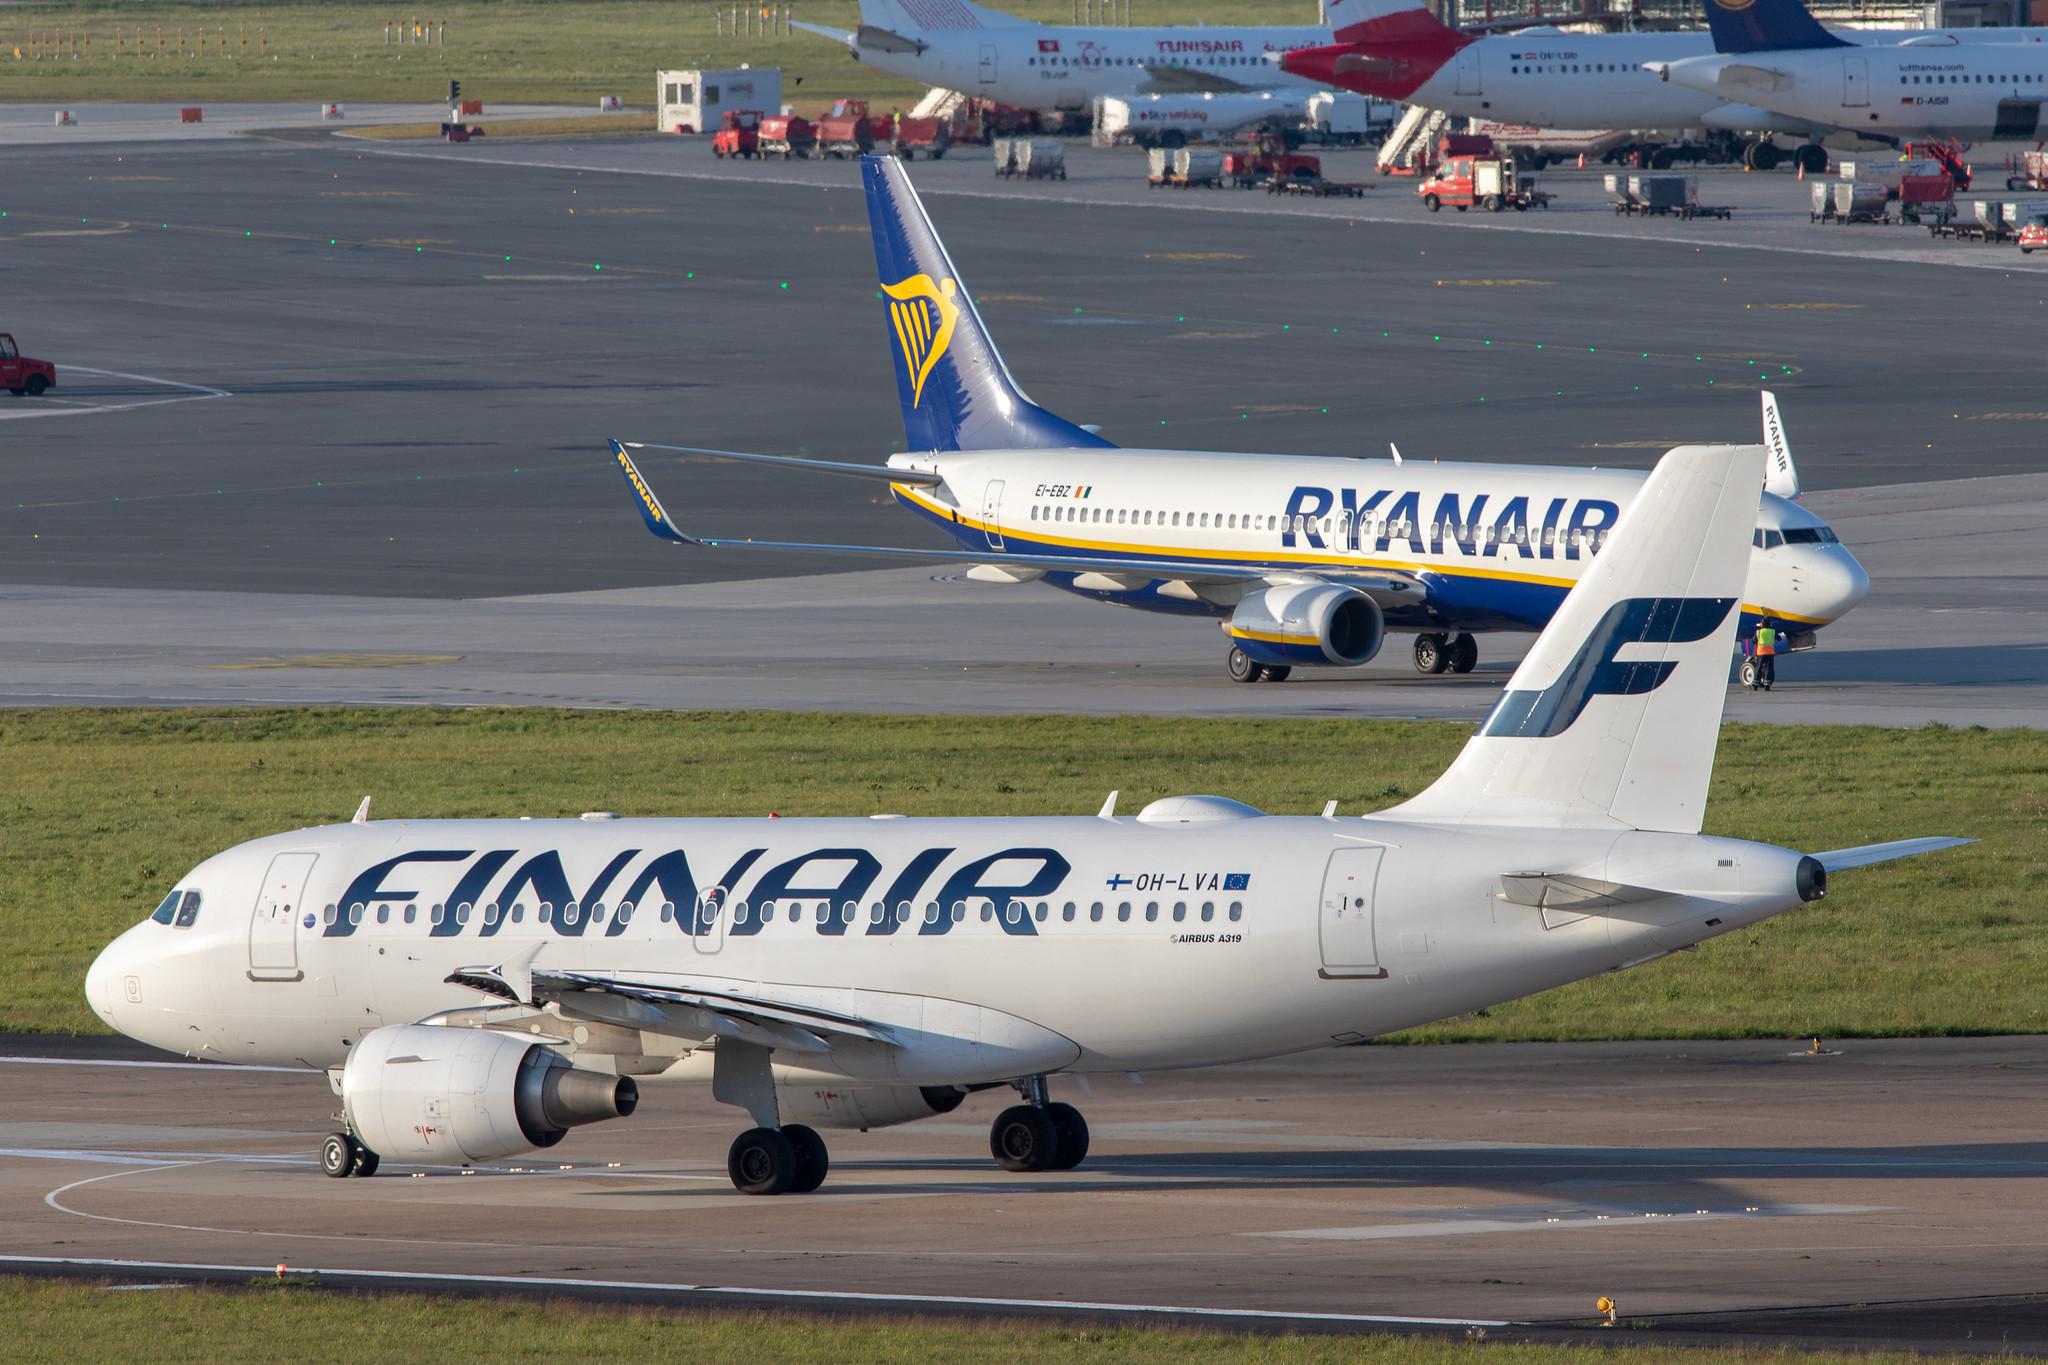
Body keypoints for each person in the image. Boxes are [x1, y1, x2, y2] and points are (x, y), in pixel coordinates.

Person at [1753, 616, 1779, 691]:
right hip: (1770, 653)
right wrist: (1773, 641)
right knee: (1768, 669)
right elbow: (1779, 638)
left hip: (1761, 653)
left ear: (1762, 624)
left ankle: (1755, 684)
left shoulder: (1759, 632)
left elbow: (1754, 640)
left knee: (1758, 669)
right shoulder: (1772, 631)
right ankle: (1767, 686)